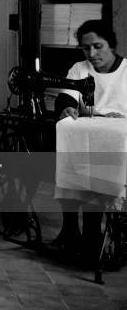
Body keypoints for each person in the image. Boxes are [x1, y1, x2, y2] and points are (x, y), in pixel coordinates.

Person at [54, 20, 127, 264]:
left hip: (120, 145)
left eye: (98, 46)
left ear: (111, 45)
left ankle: (94, 235)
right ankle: (74, 229)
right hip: (89, 140)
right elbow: (66, 96)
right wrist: (66, 109)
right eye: (86, 48)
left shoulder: (126, 71)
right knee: (70, 156)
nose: (92, 54)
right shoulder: (79, 69)